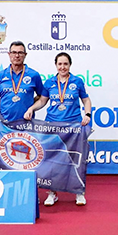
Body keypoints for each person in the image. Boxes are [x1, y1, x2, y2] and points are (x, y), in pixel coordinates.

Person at [24, 52, 92, 207]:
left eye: (65, 64)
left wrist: (87, 114)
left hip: (73, 128)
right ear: (56, 65)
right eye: (60, 64)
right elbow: (42, 101)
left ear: (70, 65)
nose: (63, 67)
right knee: (52, 160)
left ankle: (79, 193)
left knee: (76, 160)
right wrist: (31, 108)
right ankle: (52, 193)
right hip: (52, 127)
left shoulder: (77, 81)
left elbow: (86, 100)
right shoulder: (49, 83)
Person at [0, 41, 46, 123]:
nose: (17, 56)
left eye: (20, 53)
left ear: (25, 55)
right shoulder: (1, 75)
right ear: (9, 54)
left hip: (26, 123)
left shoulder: (34, 75)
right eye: (14, 52)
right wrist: (4, 106)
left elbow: (41, 96)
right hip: (5, 123)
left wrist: (29, 105)